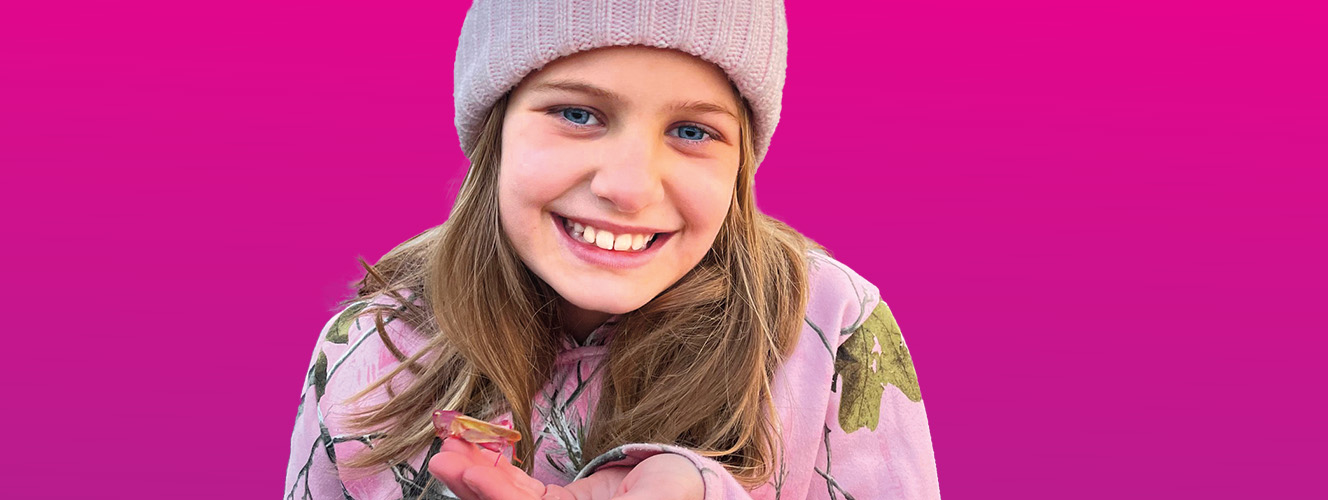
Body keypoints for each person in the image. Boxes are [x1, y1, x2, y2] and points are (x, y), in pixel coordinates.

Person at [285, 1, 941, 499]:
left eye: (692, 130)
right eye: (577, 114)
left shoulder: (831, 331)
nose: (628, 188)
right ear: (496, 129)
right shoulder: (371, 349)